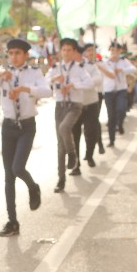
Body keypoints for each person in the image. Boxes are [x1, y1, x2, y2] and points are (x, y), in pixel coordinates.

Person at [0, 38, 52, 237]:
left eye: (18, 53)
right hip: (9, 126)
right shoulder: (3, 73)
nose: (14, 57)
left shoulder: (34, 72)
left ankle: (33, 187)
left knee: (18, 167)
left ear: (26, 55)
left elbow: (47, 90)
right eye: (11, 53)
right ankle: (12, 221)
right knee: (8, 176)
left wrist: (25, 89)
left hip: (27, 126)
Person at [45, 38, 92, 193]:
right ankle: (61, 179)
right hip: (60, 105)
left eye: (69, 50)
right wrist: (55, 80)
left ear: (74, 52)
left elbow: (89, 83)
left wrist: (73, 85)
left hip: (74, 105)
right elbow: (45, 82)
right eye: (63, 49)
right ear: (61, 51)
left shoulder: (79, 67)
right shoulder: (56, 67)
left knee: (64, 128)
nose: (66, 53)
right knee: (60, 145)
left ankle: (72, 154)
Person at [70, 43, 104, 175]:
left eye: (72, 51)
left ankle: (89, 155)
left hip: (90, 104)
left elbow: (97, 80)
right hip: (74, 106)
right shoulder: (67, 68)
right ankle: (76, 164)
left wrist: (78, 84)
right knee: (74, 136)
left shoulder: (90, 66)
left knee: (91, 132)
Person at [100, 43, 136, 147]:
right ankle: (112, 139)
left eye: (115, 50)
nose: (113, 53)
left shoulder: (123, 61)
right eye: (111, 50)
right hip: (109, 91)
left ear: (120, 51)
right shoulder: (106, 62)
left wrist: (122, 70)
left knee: (121, 109)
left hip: (120, 90)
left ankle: (120, 124)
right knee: (111, 116)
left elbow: (133, 69)